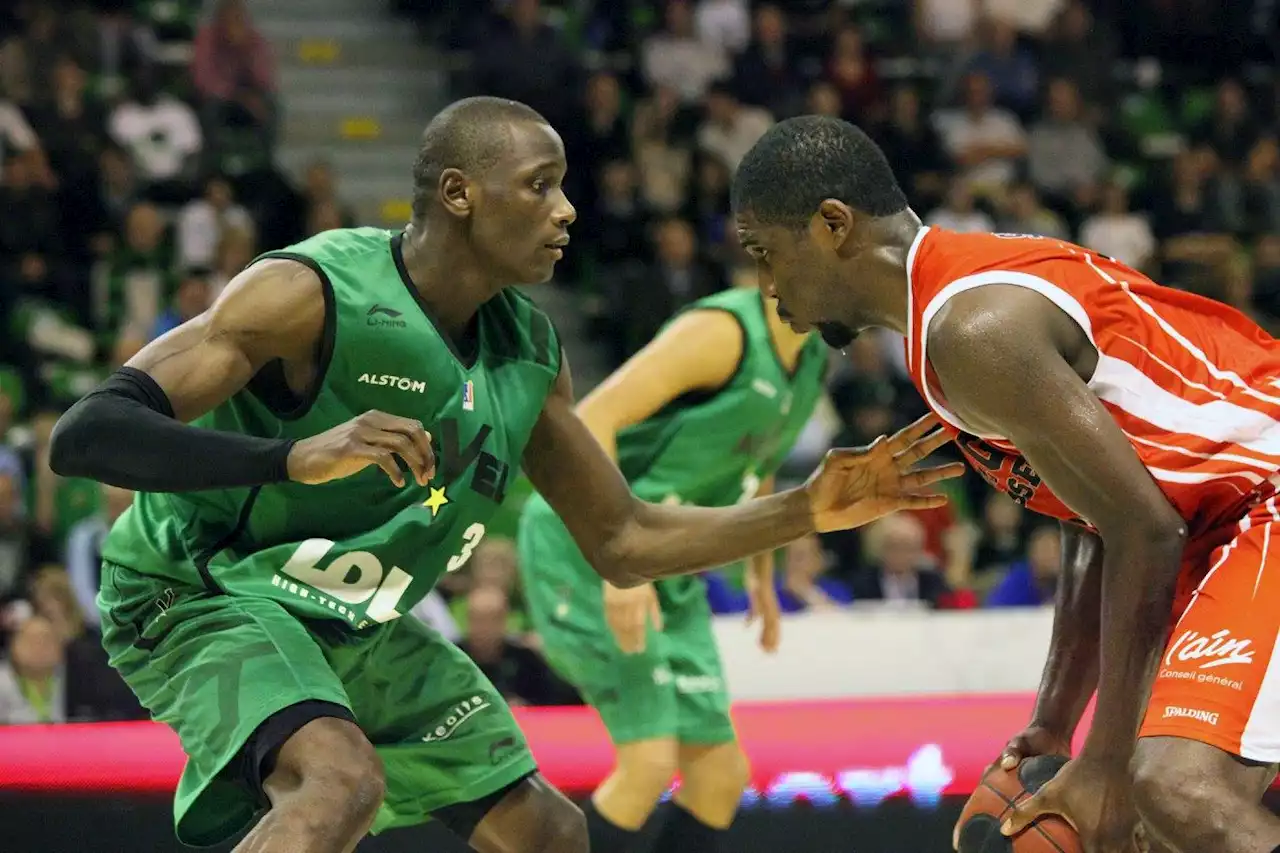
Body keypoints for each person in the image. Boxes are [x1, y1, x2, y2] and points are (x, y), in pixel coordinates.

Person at [46, 98, 960, 853]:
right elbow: (89, 432)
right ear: (460, 194)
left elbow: (625, 540)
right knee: (339, 781)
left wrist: (805, 508)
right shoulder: (312, 292)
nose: (568, 209)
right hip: (200, 589)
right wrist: (292, 457)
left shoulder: (530, 349)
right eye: (541, 186)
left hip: (348, 619)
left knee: (553, 834)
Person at [730, 113, 1280, 853]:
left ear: (833, 224)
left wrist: (1107, 762)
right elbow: (1090, 515)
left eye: (767, 253)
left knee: (1176, 787)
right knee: (1161, 816)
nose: (767, 284)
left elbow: (1144, 530)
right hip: (1228, 523)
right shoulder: (952, 307)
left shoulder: (973, 328)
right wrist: (1056, 720)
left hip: (1260, 496)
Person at [517, 280, 828, 853]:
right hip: (587, 538)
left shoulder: (810, 356)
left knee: (718, 776)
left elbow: (756, 467)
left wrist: (761, 577)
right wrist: (618, 563)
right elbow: (592, 419)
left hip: (668, 560)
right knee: (649, 762)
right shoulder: (722, 333)